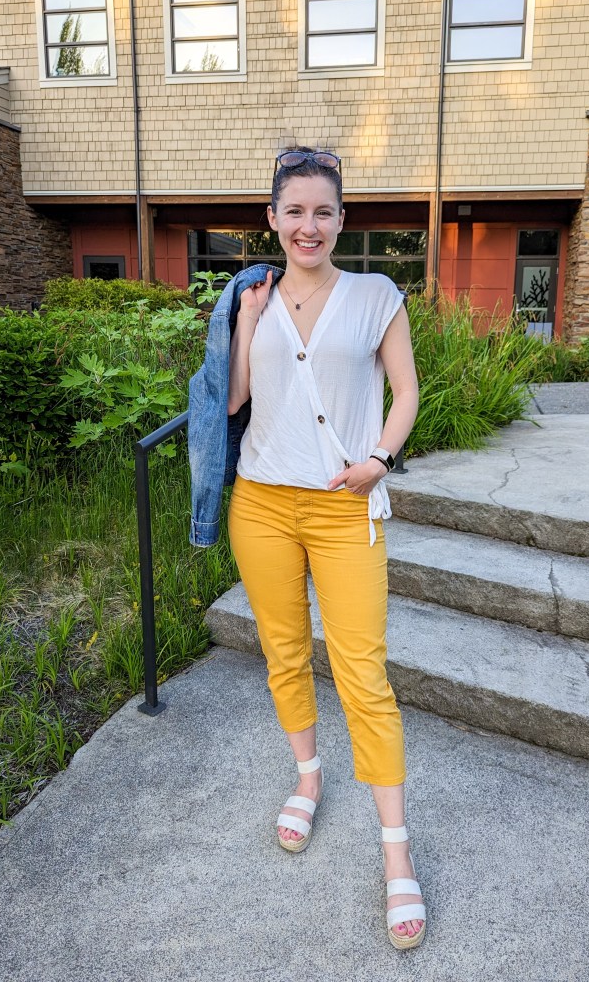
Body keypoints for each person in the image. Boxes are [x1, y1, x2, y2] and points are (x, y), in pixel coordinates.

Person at [225, 146, 425, 950]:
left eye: (324, 211)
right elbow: (235, 400)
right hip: (262, 503)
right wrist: (244, 323)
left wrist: (379, 457)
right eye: (294, 210)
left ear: (342, 220)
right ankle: (308, 779)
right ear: (271, 218)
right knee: (281, 651)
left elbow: (405, 390)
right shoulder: (252, 295)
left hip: (346, 509)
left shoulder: (376, 294)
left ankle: (395, 850)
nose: (309, 225)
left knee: (361, 672)